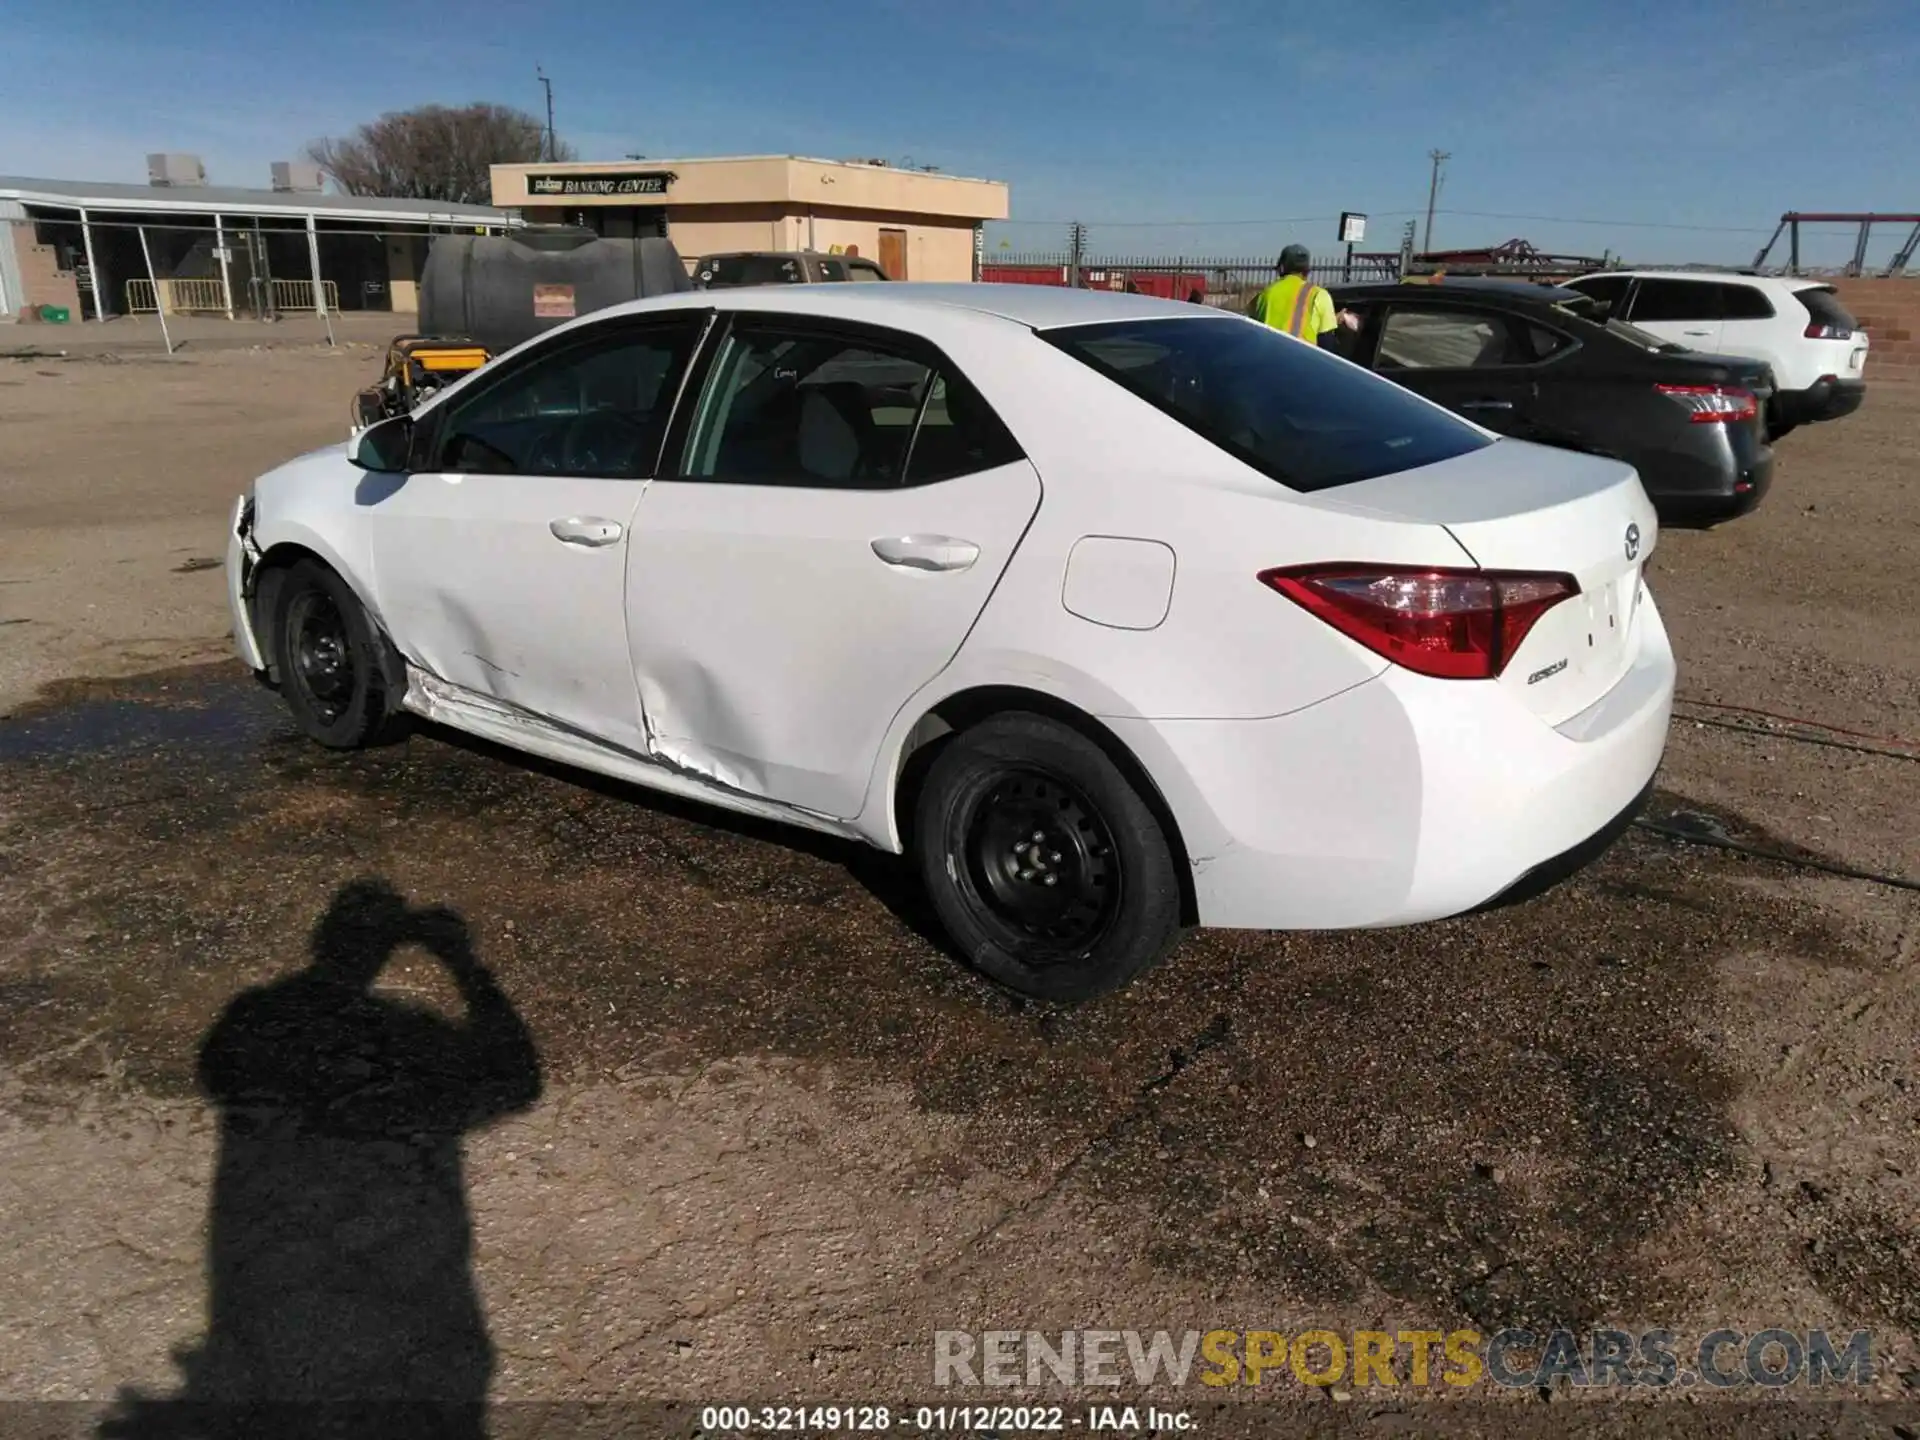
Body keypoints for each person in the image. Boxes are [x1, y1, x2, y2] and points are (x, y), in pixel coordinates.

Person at [1249, 244, 1360, 346]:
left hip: (1266, 362)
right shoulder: (1319, 295)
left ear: (1282, 268)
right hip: (1302, 363)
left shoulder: (1263, 295)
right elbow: (1326, 343)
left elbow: (1251, 332)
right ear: (1307, 270)